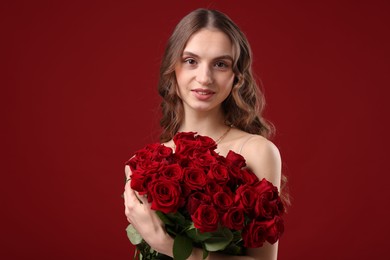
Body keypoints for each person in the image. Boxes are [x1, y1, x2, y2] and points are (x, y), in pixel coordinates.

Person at [124, 8, 287, 260]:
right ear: (173, 68)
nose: (205, 77)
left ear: (236, 76)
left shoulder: (257, 151)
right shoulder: (147, 163)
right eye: (191, 61)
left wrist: (168, 246)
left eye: (220, 64)